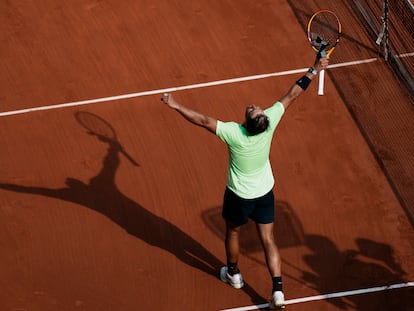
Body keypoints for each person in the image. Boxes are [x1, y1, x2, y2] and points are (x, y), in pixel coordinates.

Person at [161, 54, 329, 309]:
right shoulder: (269, 124)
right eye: (257, 109)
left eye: (254, 110)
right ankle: (278, 291)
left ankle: (233, 274)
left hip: (238, 196)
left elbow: (203, 121)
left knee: (233, 231)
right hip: (264, 194)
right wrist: (314, 69)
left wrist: (175, 105)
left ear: (248, 123)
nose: (254, 106)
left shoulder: (234, 133)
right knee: (269, 239)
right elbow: (293, 94)